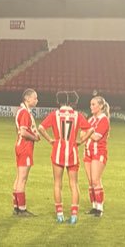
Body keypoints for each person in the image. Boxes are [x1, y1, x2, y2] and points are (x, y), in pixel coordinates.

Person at [38, 91, 90, 225]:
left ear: (57, 101)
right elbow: (90, 130)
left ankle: (60, 214)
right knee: (74, 184)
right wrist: (81, 140)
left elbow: (41, 128)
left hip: (58, 153)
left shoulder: (55, 115)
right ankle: (73, 215)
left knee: (57, 183)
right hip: (72, 152)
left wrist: (50, 140)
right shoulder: (77, 115)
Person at [11, 89, 41, 217]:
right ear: (27, 99)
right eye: (35, 98)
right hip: (25, 147)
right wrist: (35, 137)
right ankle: (22, 209)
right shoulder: (24, 112)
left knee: (19, 178)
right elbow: (23, 132)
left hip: (20, 146)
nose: (36, 100)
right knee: (22, 179)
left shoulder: (21, 111)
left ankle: (16, 207)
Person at [84, 95, 111, 217]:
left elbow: (95, 137)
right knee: (90, 181)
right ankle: (94, 206)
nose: (91, 106)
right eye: (90, 104)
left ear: (100, 106)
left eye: (94, 104)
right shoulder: (90, 120)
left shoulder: (103, 119)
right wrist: (87, 133)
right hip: (88, 152)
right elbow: (81, 135)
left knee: (96, 180)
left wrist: (87, 133)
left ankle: (99, 209)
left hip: (98, 153)